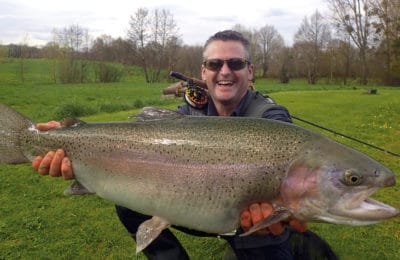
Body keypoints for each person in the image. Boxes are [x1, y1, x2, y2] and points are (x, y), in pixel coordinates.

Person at [33, 30, 336, 260]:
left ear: (250, 71)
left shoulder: (269, 116)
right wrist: (70, 139)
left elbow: (288, 146)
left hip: (251, 217)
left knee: (267, 240)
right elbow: (134, 145)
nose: (225, 71)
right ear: (204, 73)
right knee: (127, 202)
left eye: (236, 63)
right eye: (215, 64)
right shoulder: (188, 114)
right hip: (191, 209)